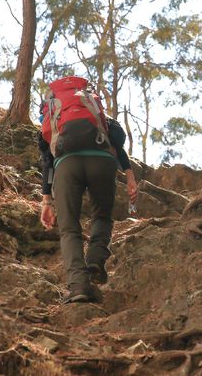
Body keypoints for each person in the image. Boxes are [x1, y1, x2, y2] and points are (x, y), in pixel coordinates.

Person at [39, 114, 138, 304]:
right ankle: (95, 259)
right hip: (102, 161)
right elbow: (117, 141)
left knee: (69, 228)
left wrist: (47, 201)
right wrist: (130, 176)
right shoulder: (95, 112)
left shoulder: (52, 115)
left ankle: (78, 286)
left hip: (67, 164)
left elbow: (47, 160)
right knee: (102, 216)